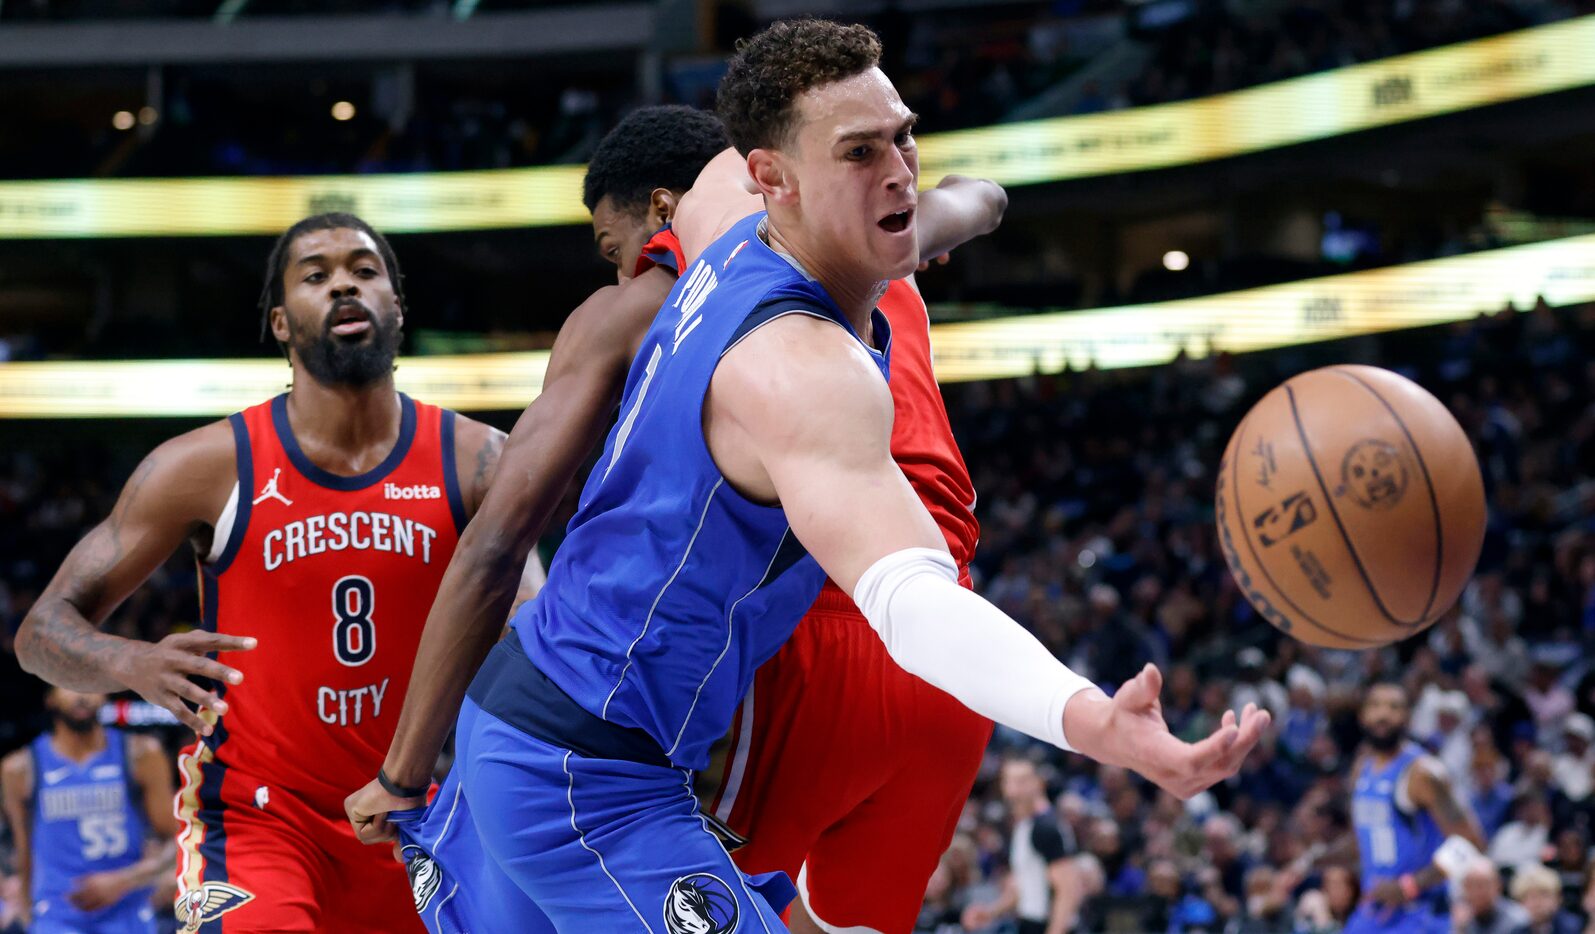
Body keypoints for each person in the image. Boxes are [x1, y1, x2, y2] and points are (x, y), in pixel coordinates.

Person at [351, 19, 1265, 932]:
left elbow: (937, 209)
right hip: (589, 775)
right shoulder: (798, 369)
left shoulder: (721, 207)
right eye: (860, 153)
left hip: (520, 721)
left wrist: (977, 204)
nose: (898, 170)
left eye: (902, 136)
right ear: (773, 178)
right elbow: (912, 602)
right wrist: (1091, 720)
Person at [347, 109, 1012, 934]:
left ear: (669, 210)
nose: (621, 269)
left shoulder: (664, 293)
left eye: (610, 245)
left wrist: (405, 770)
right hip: (956, 651)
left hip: (808, 628)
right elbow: (978, 194)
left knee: (601, 871)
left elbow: (503, 537)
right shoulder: (870, 233)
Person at [14, 213, 530, 933]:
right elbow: (40, 631)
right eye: (316, 275)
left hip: (412, 806)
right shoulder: (203, 466)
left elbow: (533, 644)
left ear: (396, 305)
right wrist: (132, 661)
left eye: (364, 268)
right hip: (256, 816)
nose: (343, 283)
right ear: (283, 324)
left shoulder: (476, 461)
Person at [0, 688, 174, 934]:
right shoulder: (19, 767)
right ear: (49, 697)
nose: (81, 695)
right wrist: (29, 913)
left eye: (89, 686)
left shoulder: (141, 753)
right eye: (68, 686)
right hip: (57, 917)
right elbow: (24, 851)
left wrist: (126, 879)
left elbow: (178, 841)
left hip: (128, 912)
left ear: (104, 694)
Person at [1345, 681, 1488, 934]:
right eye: (1375, 705)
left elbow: (1472, 843)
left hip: (1419, 913)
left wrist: (1409, 886)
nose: (1383, 714)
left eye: (1394, 707)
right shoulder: (1361, 769)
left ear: (1408, 718)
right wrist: (1309, 862)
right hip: (1374, 911)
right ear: (1362, 716)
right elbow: (1361, 840)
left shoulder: (1423, 772)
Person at [961, 759, 1081, 934]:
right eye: (1010, 781)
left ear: (1038, 783)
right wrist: (991, 912)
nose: (1016, 788)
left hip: (1048, 925)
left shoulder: (1046, 827)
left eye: (1023, 780)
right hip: (1029, 923)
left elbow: (1068, 889)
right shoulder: (1023, 826)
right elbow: (1024, 883)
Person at [1454, 859, 1530, 934]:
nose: (1477, 892)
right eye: (1471, 886)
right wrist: (1460, 929)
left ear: (1498, 886)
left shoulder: (1517, 921)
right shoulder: (1463, 921)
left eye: (1482, 885)